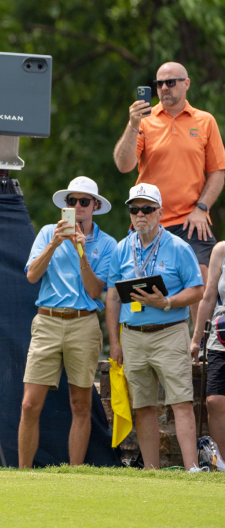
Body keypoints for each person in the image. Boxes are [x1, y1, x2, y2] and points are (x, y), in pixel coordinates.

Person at [113, 62, 225, 325]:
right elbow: (123, 165)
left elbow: (218, 172)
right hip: (149, 217)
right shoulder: (145, 120)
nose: (164, 88)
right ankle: (136, 341)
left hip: (191, 218)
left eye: (171, 82)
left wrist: (202, 208)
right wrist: (132, 125)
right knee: (132, 281)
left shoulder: (204, 120)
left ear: (186, 84)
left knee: (203, 276)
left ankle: (200, 349)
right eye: (159, 83)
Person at [19, 177, 117, 468]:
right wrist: (54, 244)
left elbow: (96, 291)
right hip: (47, 320)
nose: (77, 207)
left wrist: (81, 250)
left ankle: (74, 473)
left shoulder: (107, 243)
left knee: (81, 404)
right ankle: (22, 474)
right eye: (71, 201)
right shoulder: (49, 232)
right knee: (29, 404)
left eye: (83, 202)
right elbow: (31, 276)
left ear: (95, 206)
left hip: (83, 323)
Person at [106, 184, 204, 471]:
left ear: (160, 213)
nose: (141, 214)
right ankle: (152, 471)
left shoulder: (178, 247)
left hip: (170, 332)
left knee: (181, 402)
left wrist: (168, 302)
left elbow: (197, 290)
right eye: (135, 209)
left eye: (147, 209)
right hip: (133, 336)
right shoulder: (123, 248)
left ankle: (192, 470)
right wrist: (114, 341)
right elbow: (112, 295)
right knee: (143, 406)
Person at [190, 241, 225, 453]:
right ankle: (221, 462)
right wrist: (196, 339)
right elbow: (209, 296)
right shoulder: (221, 250)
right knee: (214, 400)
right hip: (221, 335)